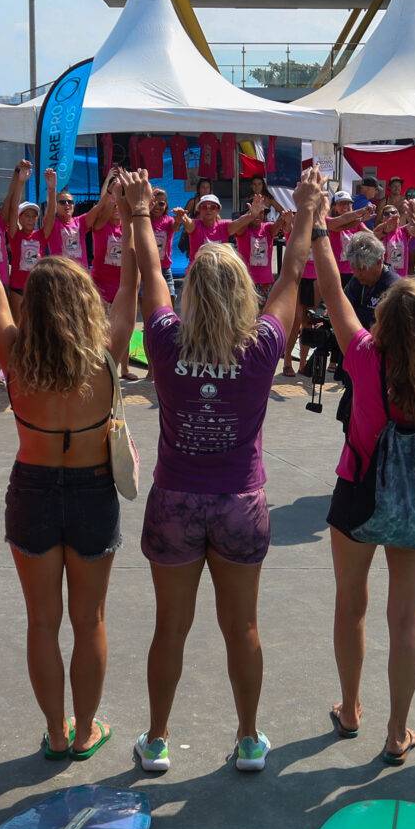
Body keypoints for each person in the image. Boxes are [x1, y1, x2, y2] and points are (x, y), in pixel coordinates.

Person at [131, 173, 312, 774]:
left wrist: (138, 215)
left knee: (167, 631)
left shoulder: (163, 339)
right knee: (244, 629)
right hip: (239, 502)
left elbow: (154, 279)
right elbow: (289, 279)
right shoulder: (260, 347)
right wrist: (305, 210)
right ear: (240, 293)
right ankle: (248, 738)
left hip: (176, 501)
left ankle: (157, 740)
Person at [0, 168, 141, 763]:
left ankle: (54, 730)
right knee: (89, 620)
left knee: (42, 622)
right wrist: (130, 218)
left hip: (34, 487)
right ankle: (84, 730)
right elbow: (130, 284)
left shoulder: (14, 354)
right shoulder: (106, 355)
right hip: (93, 488)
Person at [312, 166, 415, 765]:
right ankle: (398, 732)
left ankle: (350, 708)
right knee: (407, 616)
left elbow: (331, 291)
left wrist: (317, 228)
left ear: (383, 319)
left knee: (352, 602)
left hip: (358, 492)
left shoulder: (365, 357)